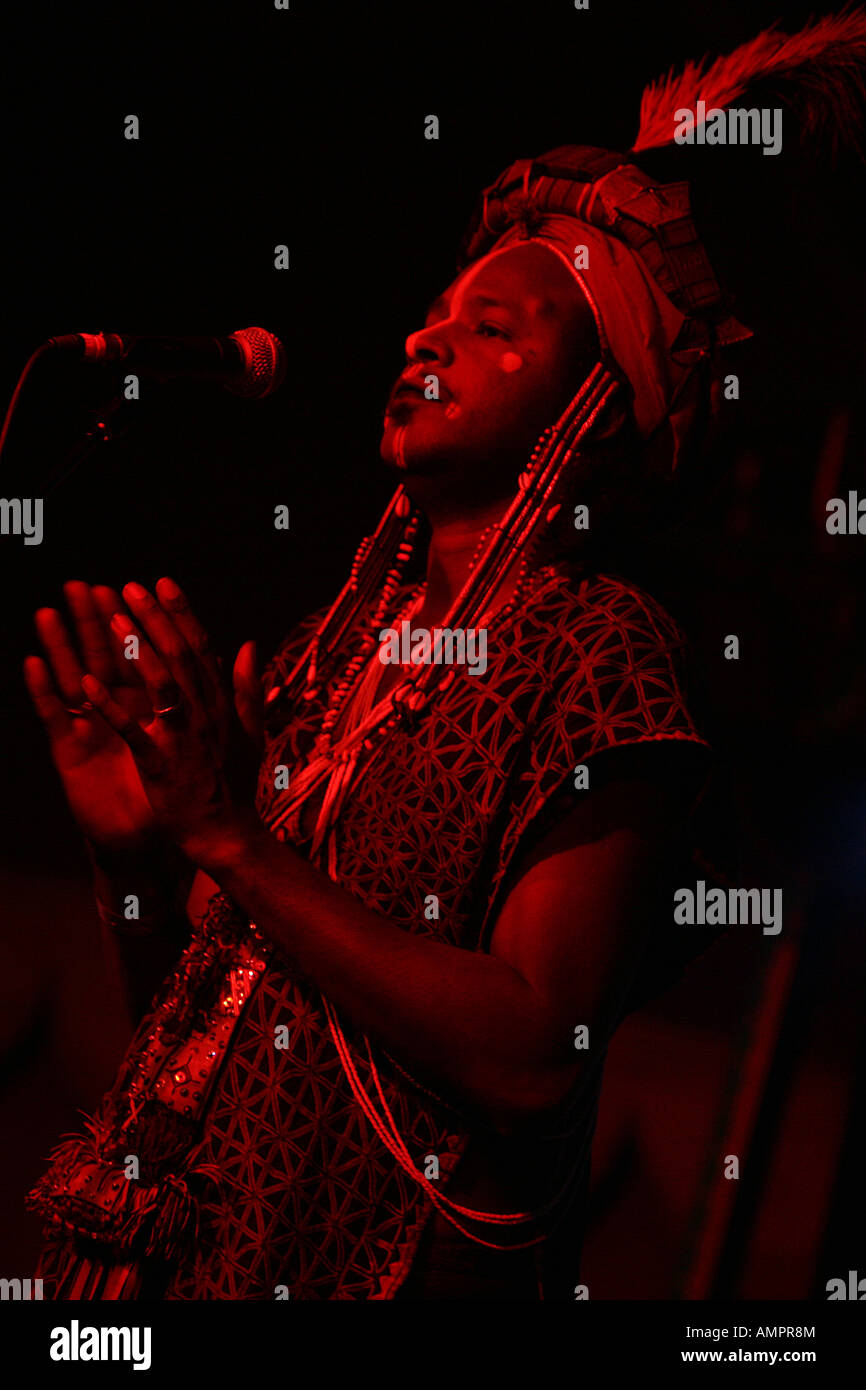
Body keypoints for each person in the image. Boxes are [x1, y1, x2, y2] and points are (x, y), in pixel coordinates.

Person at [24, 12, 864, 1300]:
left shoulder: (601, 654)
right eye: (431, 319)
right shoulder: (333, 653)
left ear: (595, 403)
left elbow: (539, 1050)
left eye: (495, 329)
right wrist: (136, 848)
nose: (425, 342)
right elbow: (200, 1042)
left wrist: (232, 837)